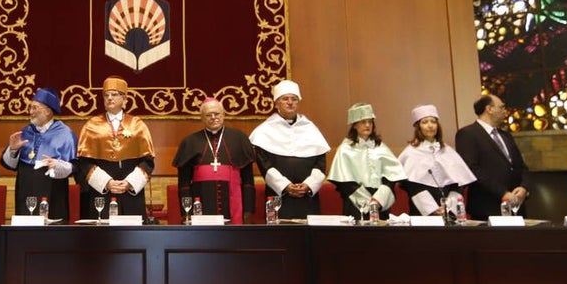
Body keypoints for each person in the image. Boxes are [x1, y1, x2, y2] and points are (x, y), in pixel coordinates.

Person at [75, 76, 155, 220]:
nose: (110, 98)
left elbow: (147, 161)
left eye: (114, 94)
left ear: (124, 99)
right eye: (106, 95)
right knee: (103, 231)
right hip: (102, 192)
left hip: (130, 192)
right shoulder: (91, 126)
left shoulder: (137, 125)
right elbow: (85, 163)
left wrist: (129, 183)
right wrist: (107, 182)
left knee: (132, 232)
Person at [249, 80, 330, 220]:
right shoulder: (265, 131)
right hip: (277, 195)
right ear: (276, 103)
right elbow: (264, 165)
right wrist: (285, 186)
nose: (290, 102)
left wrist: (309, 185)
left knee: (309, 232)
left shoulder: (310, 129)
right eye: (285, 99)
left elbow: (320, 163)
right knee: (278, 231)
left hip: (307, 197)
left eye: (294, 99)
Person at [172, 96, 257, 224]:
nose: (213, 117)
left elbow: (248, 181)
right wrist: (186, 213)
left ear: (223, 115)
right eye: (208, 115)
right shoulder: (190, 142)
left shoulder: (239, 138)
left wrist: (248, 211)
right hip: (201, 203)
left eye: (217, 114)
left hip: (234, 204)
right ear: (202, 118)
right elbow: (184, 183)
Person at [0, 87, 77, 222]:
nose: (31, 112)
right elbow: (10, 165)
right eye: (30, 108)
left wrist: (57, 165)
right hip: (25, 190)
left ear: (48, 111)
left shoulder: (65, 134)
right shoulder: (26, 131)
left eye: (35, 108)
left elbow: (74, 166)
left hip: (53, 191)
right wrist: (13, 150)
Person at [454, 94, 528, 221]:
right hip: (487, 207)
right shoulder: (468, 134)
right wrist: (503, 193)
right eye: (501, 107)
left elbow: (521, 166)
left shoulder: (506, 135)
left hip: (516, 206)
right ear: (489, 109)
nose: (504, 111)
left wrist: (524, 188)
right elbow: (472, 169)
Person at [327, 103, 406, 219]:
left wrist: (379, 199)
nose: (368, 125)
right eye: (363, 122)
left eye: (370, 122)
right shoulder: (345, 149)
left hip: (380, 202)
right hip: (355, 203)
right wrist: (367, 201)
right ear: (355, 125)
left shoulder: (381, 147)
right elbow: (344, 182)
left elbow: (391, 178)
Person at [397, 104, 476, 216]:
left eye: (433, 122)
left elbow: (458, 184)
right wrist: (432, 209)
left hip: (449, 212)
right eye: (425, 122)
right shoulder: (410, 153)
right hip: (422, 213)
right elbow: (411, 186)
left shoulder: (448, 151)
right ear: (418, 127)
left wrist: (448, 206)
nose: (430, 125)